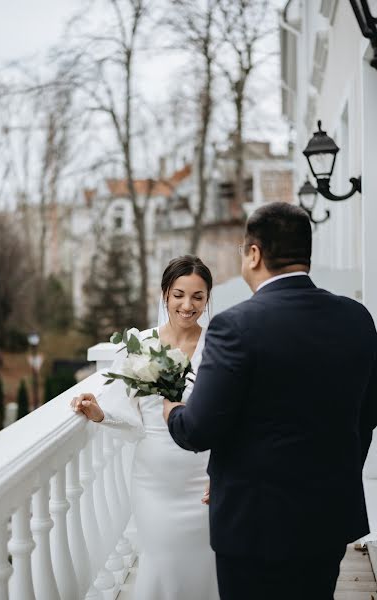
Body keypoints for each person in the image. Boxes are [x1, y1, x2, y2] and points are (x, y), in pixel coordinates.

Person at [163, 202, 377, 600]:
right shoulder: (357, 318)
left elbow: (198, 429)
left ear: (254, 254)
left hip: (253, 526)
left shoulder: (236, 326)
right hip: (329, 516)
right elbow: (368, 415)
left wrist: (172, 409)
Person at [72, 255, 219, 600]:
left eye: (198, 296)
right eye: (179, 294)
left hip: (205, 474)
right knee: (160, 562)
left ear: (207, 299)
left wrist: (225, 470)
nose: (188, 305)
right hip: (154, 480)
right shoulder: (141, 344)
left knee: (204, 565)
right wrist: (97, 412)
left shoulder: (219, 345)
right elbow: (123, 408)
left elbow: (232, 416)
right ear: (165, 294)